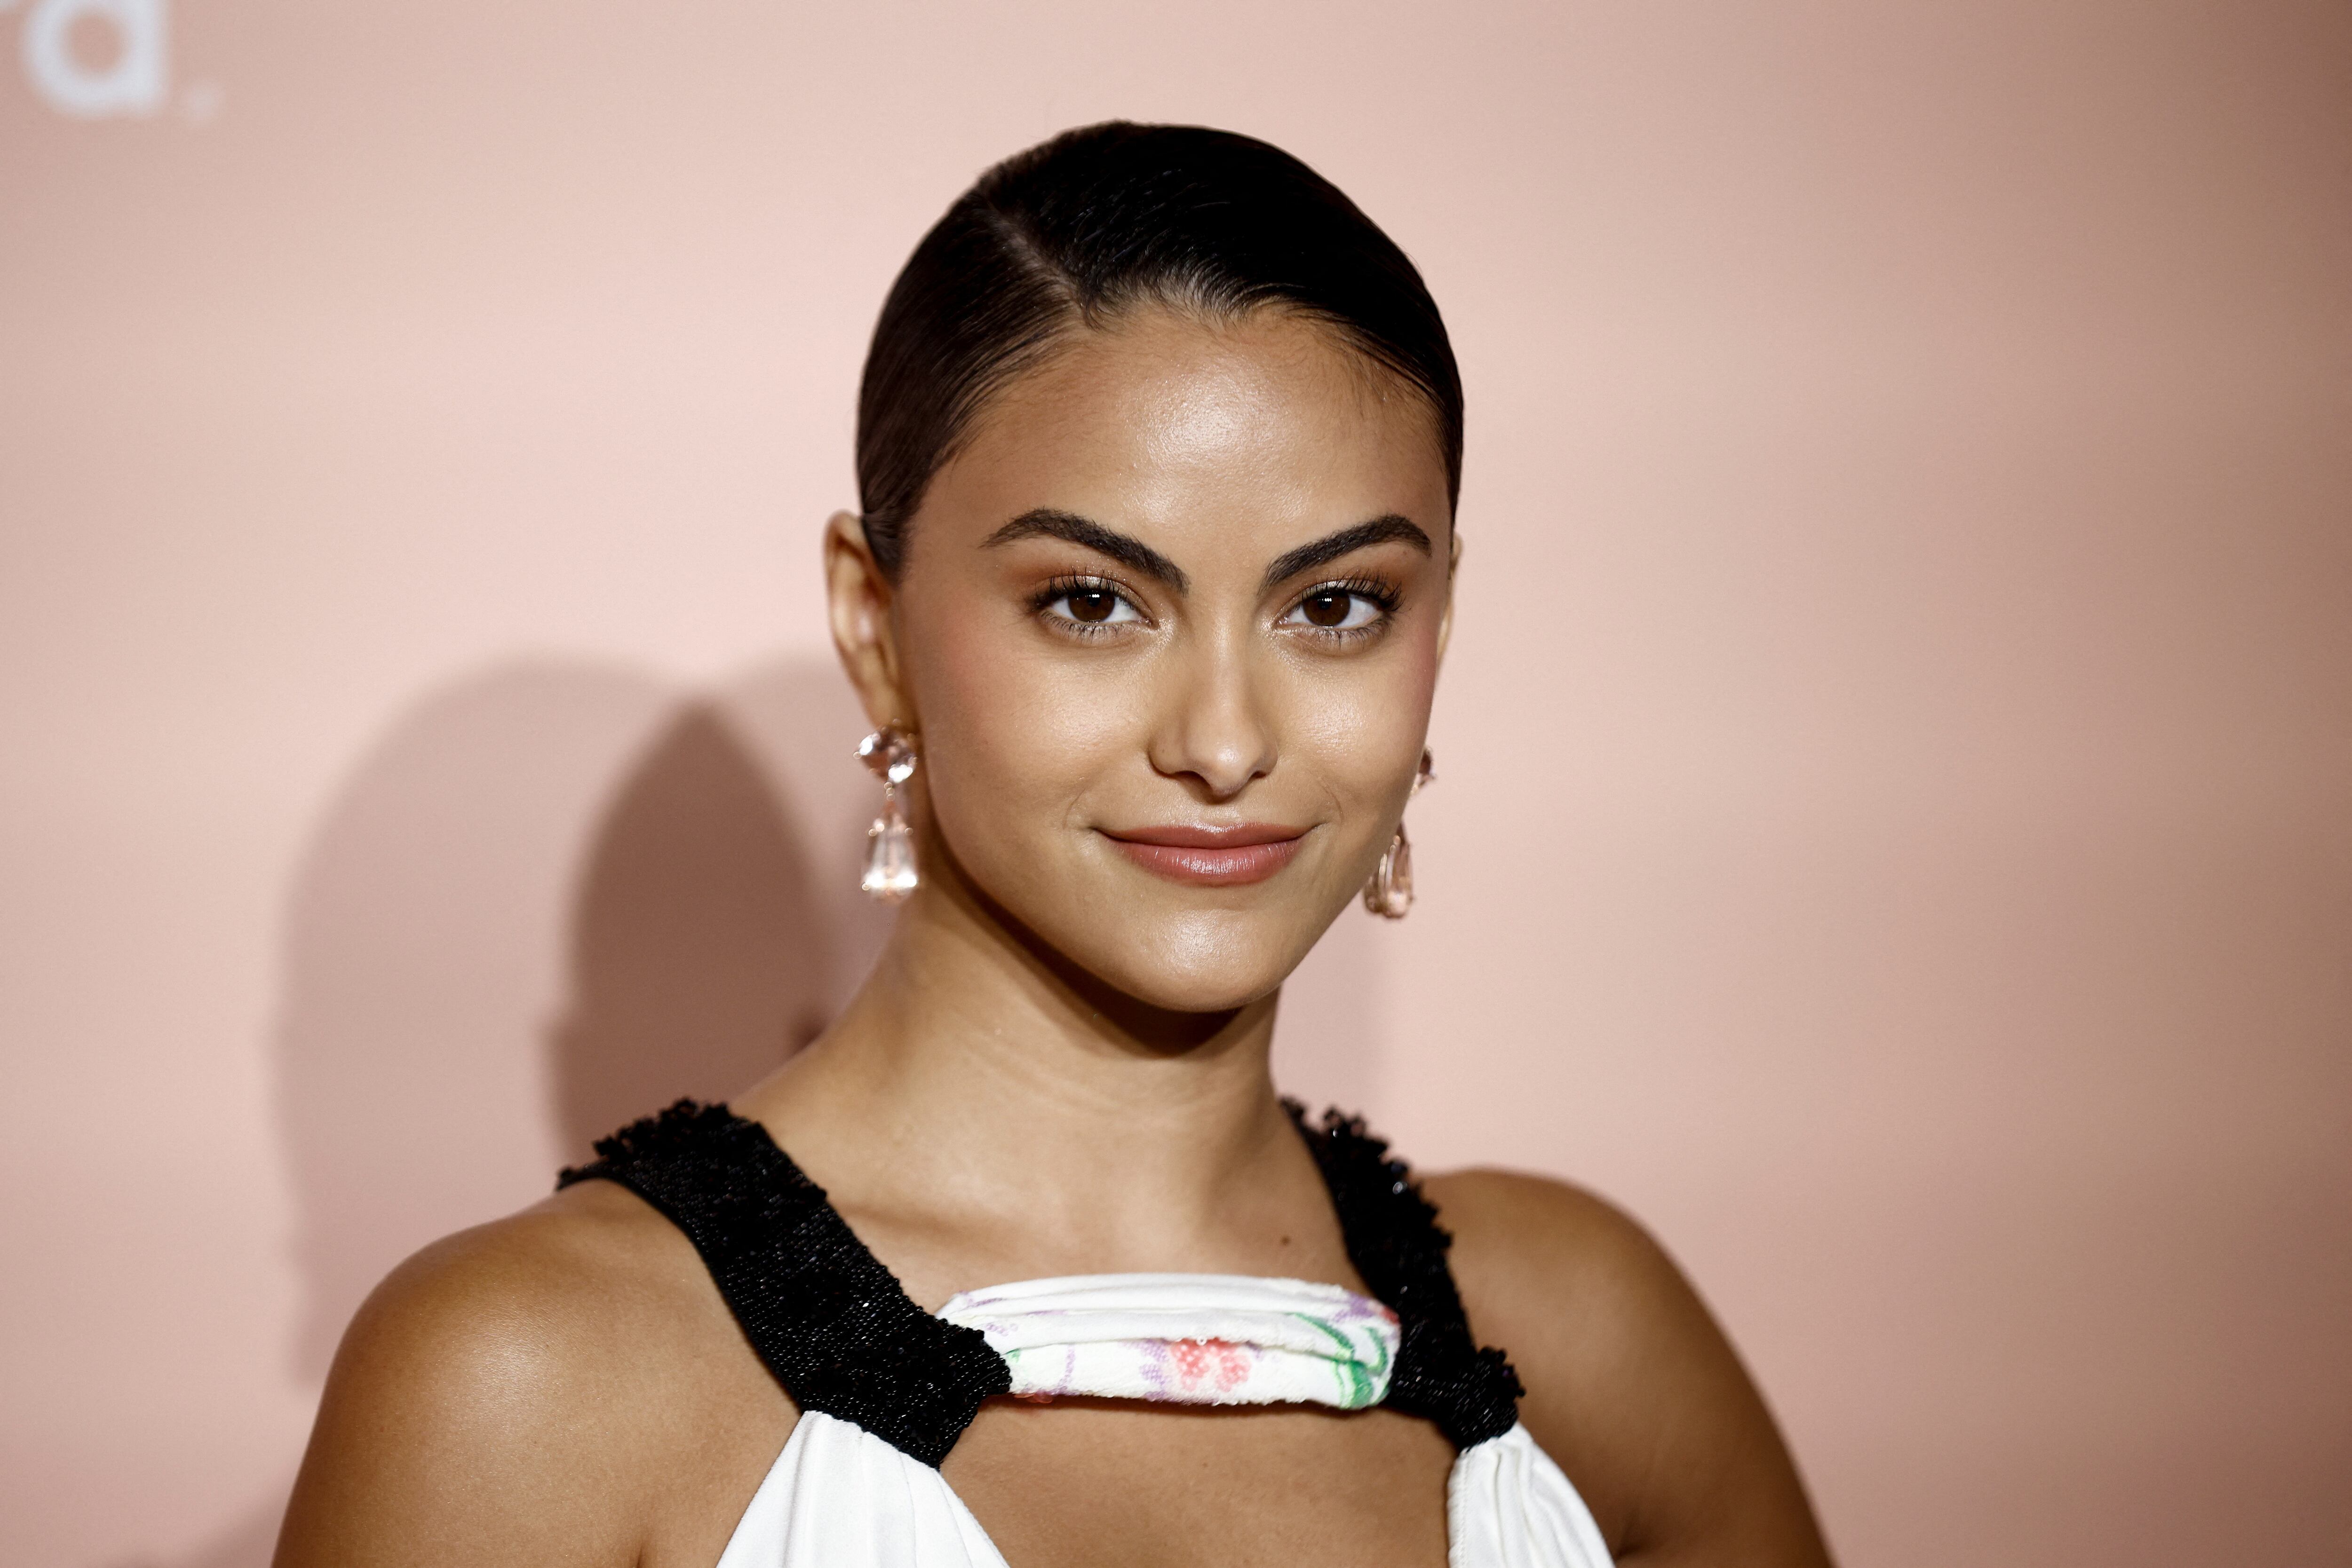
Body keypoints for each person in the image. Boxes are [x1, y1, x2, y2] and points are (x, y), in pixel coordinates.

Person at [275, 122, 1833, 1568]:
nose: (1224, 741)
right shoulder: (528, 1386)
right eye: (1093, 603)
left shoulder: (1589, 1337)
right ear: (874, 628)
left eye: (1336, 605)